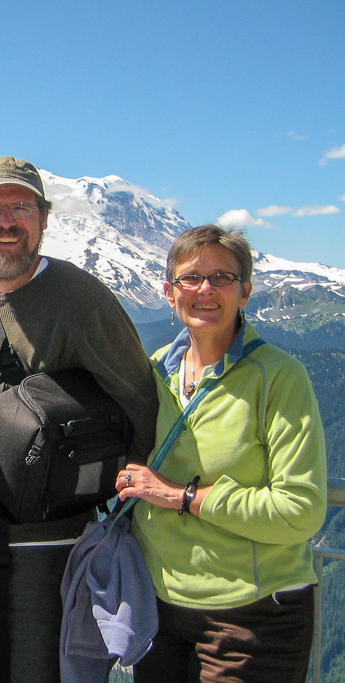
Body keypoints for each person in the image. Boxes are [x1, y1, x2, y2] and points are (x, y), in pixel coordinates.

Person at [0, 156, 158, 682]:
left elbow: (139, 404)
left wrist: (126, 514)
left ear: (44, 217)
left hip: (53, 554)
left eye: (20, 207)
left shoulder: (81, 298)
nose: (4, 221)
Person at [116, 224, 326, 682]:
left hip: (253, 617)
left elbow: (301, 510)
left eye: (223, 278)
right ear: (169, 294)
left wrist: (182, 496)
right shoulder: (153, 373)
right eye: (191, 278)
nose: (205, 289)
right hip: (160, 609)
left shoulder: (279, 378)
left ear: (245, 292)